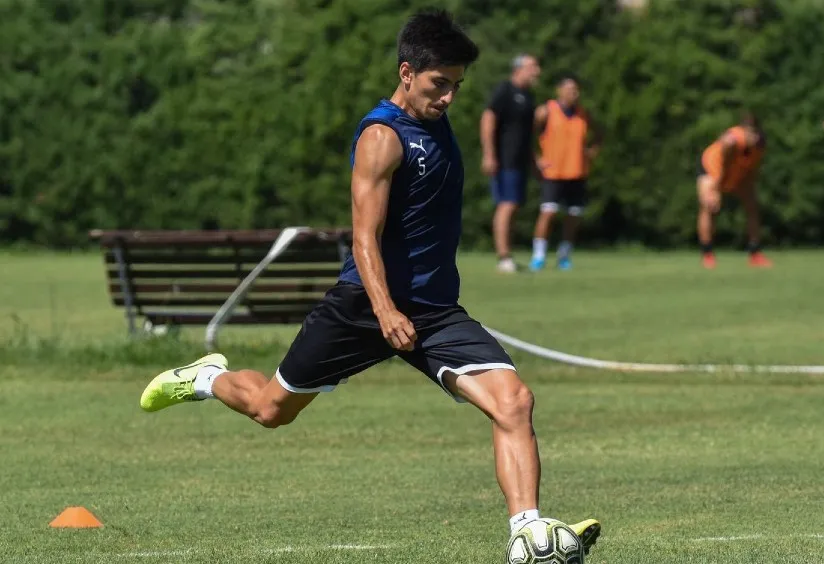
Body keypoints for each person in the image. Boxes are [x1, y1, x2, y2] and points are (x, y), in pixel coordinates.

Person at [138, 9, 601, 556]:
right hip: (364, 305)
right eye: (439, 84)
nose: (450, 97)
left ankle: (526, 532)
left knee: (514, 402)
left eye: (457, 85)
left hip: (433, 310)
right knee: (268, 410)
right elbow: (363, 237)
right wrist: (384, 311)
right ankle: (208, 377)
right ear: (406, 73)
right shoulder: (383, 136)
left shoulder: (434, 118)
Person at [529, 75, 600, 271]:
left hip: (577, 172)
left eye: (576, 90)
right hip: (553, 172)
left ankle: (564, 255)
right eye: (570, 89)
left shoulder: (583, 114)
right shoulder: (546, 111)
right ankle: (539, 255)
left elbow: (599, 134)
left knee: (573, 216)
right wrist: (536, 158)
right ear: (559, 91)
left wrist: (591, 152)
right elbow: (528, 134)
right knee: (548, 213)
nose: (574, 94)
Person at [480, 54, 541, 273]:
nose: (537, 71)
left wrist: (534, 163)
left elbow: (529, 135)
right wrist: (489, 154)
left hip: (520, 160)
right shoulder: (505, 91)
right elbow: (488, 119)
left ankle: (508, 255)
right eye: (533, 66)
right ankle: (503, 256)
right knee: (507, 204)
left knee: (514, 206)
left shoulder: (528, 96)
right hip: (504, 159)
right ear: (519, 69)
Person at [696, 114, 772, 269]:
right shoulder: (731, 141)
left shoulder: (761, 143)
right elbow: (723, 166)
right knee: (709, 206)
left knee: (752, 207)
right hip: (712, 168)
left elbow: (754, 167)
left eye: (756, 133)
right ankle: (707, 254)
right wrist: (716, 189)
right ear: (743, 131)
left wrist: (748, 185)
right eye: (750, 133)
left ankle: (755, 253)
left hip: (739, 170)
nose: (753, 137)